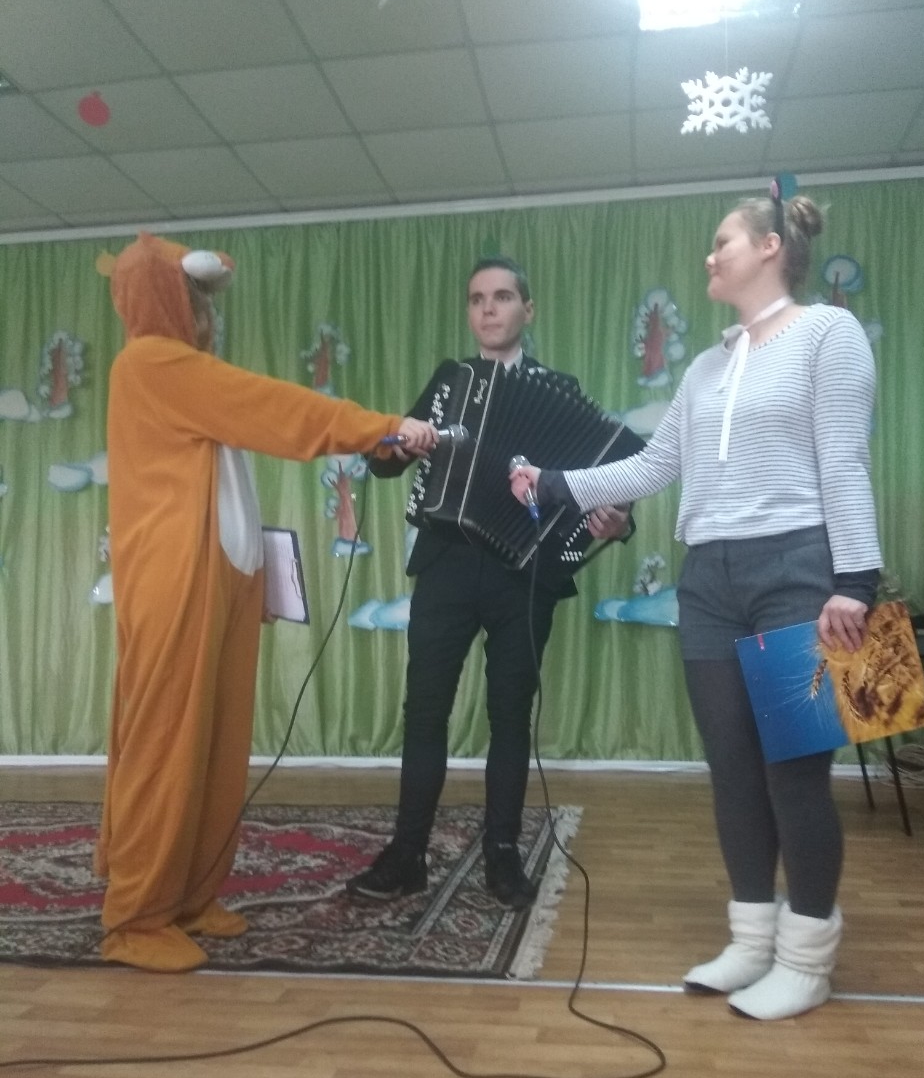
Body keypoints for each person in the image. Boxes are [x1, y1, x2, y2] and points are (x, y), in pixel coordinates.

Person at [510, 192, 883, 1018]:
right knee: (733, 771)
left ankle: (807, 958)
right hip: (708, 579)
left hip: (800, 570)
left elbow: (845, 458)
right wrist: (554, 484)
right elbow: (652, 467)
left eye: (724, 242)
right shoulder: (707, 366)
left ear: (770, 247)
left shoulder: (829, 333)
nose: (710, 256)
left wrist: (855, 582)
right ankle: (752, 940)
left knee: (795, 777)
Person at [97, 231, 436, 973]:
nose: (207, 315)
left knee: (216, 745)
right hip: (178, 584)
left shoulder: (182, 372)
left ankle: (189, 897)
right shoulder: (152, 362)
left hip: (220, 576)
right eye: (193, 300)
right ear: (166, 301)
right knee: (167, 746)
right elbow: (276, 408)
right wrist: (379, 428)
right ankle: (136, 916)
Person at [346, 256, 631, 910]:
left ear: (527, 309)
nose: (488, 309)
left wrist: (616, 522)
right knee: (425, 710)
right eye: (477, 299)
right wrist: (401, 440)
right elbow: (384, 463)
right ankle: (407, 854)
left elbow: (605, 476)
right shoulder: (451, 381)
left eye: (502, 297)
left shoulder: (561, 391)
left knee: (509, 715)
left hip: (524, 575)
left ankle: (501, 853)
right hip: (446, 561)